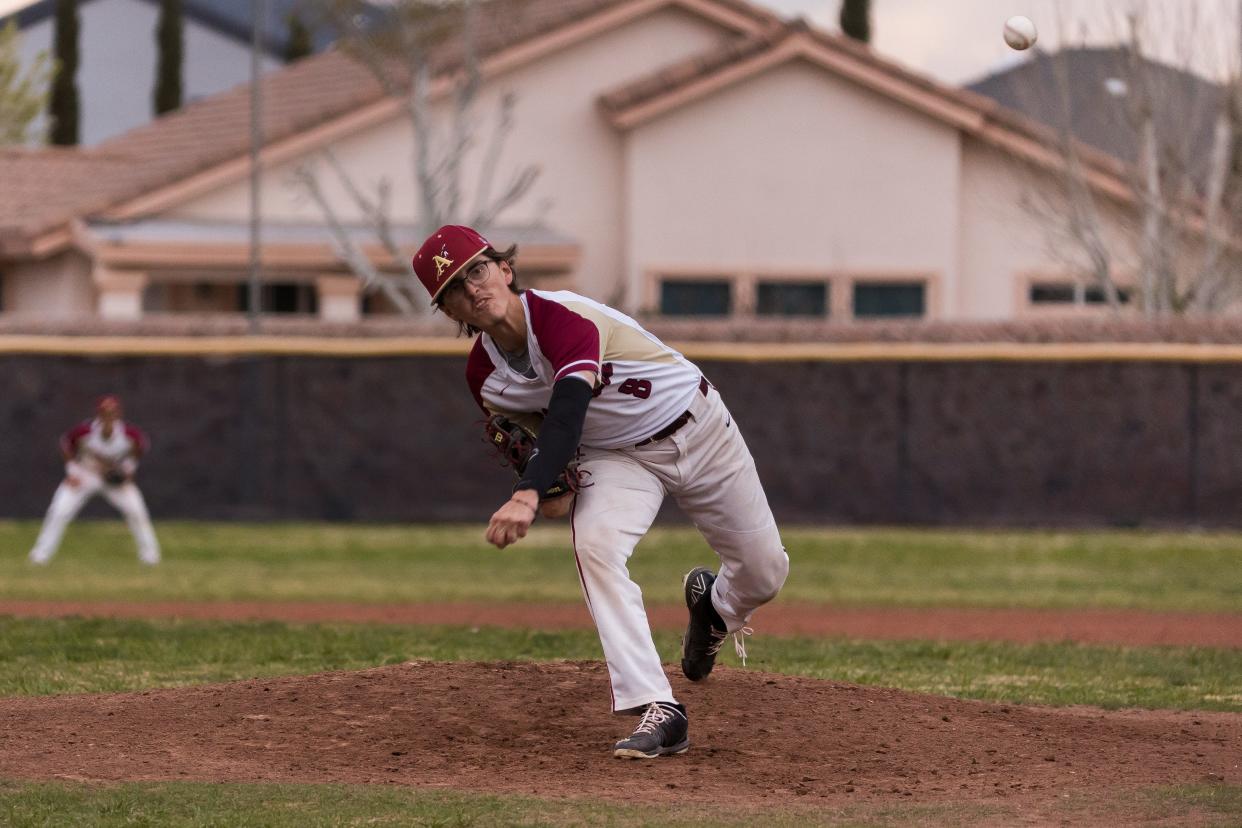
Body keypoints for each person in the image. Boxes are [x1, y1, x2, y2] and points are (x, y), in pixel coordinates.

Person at [413, 225, 788, 759]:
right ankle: (658, 707)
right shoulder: (485, 377)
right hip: (618, 459)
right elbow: (545, 445)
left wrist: (526, 491)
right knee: (594, 545)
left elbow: (568, 406)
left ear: (505, 269)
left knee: (766, 571)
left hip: (699, 428)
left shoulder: (563, 316)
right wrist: (548, 488)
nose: (472, 288)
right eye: (454, 286)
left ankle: (716, 608)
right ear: (450, 311)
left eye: (477, 269)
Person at [29, 395, 161, 566]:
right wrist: (72, 470)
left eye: (112, 412)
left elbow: (141, 446)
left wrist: (129, 468)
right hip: (86, 473)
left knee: (137, 511)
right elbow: (65, 443)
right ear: (98, 413)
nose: (109, 416)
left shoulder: (129, 434)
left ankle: (150, 557)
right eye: (105, 412)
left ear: (119, 413)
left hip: (115, 478)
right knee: (60, 510)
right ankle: (40, 556)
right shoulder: (85, 431)